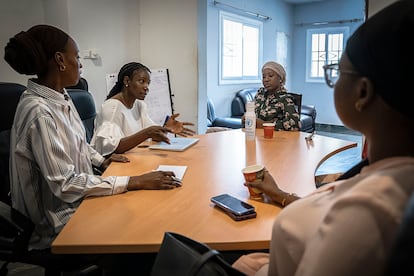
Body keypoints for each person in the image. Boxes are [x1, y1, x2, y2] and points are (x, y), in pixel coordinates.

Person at [232, 1, 414, 275]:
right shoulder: (381, 171)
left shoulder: (365, 214)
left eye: (338, 72)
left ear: (363, 93)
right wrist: (281, 194)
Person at [4, 24, 181, 273]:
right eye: (76, 56)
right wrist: (133, 181)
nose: (80, 63)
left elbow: (81, 144)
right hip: (54, 222)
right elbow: (64, 184)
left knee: (146, 212)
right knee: (142, 234)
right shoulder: (39, 112)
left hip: (76, 202)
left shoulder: (62, 97)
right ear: (60, 60)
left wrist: (103, 161)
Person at [91, 62, 195, 156]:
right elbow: (110, 148)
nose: (146, 87)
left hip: (134, 157)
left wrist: (166, 128)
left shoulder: (139, 105)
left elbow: (153, 135)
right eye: (141, 81)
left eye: (148, 83)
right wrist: (147, 133)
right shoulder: (112, 108)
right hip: (115, 166)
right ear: (127, 81)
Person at [243, 61, 300, 130]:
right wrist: (245, 118)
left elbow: (295, 124)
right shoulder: (260, 93)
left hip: (275, 138)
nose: (266, 80)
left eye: (270, 76)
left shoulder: (285, 98)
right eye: (264, 77)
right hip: (256, 136)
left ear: (280, 78)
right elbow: (251, 114)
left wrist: (264, 124)